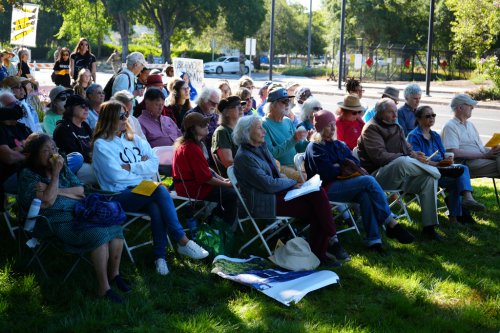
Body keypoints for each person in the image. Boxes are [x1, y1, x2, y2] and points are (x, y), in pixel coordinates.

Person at [92, 101, 208, 275]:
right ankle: (181, 239)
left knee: (155, 205)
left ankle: (160, 258)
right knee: (159, 189)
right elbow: (115, 176)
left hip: (143, 191)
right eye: (121, 116)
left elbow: (153, 165)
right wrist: (141, 172)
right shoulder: (101, 145)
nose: (126, 119)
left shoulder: (135, 139)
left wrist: (131, 167)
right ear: (109, 119)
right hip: (117, 195)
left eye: (126, 114)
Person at [18, 133, 127, 303]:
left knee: (116, 229)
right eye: (46, 150)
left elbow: (80, 191)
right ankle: (103, 288)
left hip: (78, 213)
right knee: (98, 235)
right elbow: (46, 202)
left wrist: (54, 189)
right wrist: (54, 176)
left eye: (54, 148)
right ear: (34, 154)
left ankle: (115, 274)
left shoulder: (63, 169)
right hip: (51, 221)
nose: (52, 153)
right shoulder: (28, 175)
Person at [233, 115, 348, 264]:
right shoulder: (244, 157)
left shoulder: (260, 147)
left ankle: (326, 247)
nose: (264, 131)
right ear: (247, 133)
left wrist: (293, 184)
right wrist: (292, 183)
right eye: (260, 128)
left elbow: (276, 173)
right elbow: (267, 184)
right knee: (316, 205)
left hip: (278, 194)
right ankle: (327, 246)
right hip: (264, 202)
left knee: (317, 193)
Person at [304, 110, 415, 254]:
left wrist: (339, 165)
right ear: (320, 128)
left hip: (344, 184)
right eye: (328, 126)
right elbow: (327, 173)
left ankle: (374, 241)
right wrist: (341, 166)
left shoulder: (338, 144)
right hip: (324, 189)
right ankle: (390, 221)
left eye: (333, 125)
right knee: (368, 181)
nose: (332, 129)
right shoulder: (315, 147)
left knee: (365, 195)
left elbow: (355, 163)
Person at [357, 98, 442, 240]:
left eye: (396, 112)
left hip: (399, 176)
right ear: (380, 113)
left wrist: (415, 155)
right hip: (377, 178)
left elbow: (407, 149)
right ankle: (437, 171)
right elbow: (380, 157)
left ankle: (429, 228)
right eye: (391, 112)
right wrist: (407, 157)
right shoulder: (371, 128)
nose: (395, 115)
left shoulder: (396, 126)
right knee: (403, 161)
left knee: (428, 179)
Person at [407, 105, 485, 223]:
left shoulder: (435, 135)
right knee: (460, 173)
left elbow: (444, 154)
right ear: (418, 119)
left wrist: (448, 160)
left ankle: (457, 213)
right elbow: (419, 160)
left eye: (433, 115)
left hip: (441, 169)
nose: (432, 118)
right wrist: (438, 164)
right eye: (428, 116)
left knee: (459, 174)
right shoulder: (414, 136)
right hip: (425, 172)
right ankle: (465, 202)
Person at [172, 112, 239, 227]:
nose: (206, 125)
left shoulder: (191, 144)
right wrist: (227, 185)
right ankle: (222, 229)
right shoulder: (191, 148)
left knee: (230, 193)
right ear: (192, 129)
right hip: (191, 188)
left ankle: (213, 222)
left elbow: (206, 169)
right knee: (232, 195)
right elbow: (205, 178)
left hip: (190, 185)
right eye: (202, 124)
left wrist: (224, 180)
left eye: (206, 123)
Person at [441, 94, 500, 179]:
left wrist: (493, 150)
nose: (473, 107)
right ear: (460, 108)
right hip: (465, 163)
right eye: (469, 105)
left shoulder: (470, 125)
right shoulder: (450, 126)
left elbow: (480, 148)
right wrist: (484, 155)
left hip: (480, 159)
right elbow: (454, 152)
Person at [262, 87, 308, 182]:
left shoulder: (287, 121)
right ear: (273, 105)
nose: (288, 104)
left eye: (289, 100)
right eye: (284, 101)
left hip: (296, 164)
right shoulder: (263, 125)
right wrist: (293, 140)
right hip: (279, 167)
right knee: (304, 178)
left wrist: (311, 142)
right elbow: (271, 153)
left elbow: (298, 147)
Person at [53, 94, 96, 185]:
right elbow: (71, 155)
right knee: (100, 173)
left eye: (87, 106)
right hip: (76, 166)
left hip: (89, 162)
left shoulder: (85, 126)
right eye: (83, 106)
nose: (86, 109)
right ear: (71, 108)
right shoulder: (63, 129)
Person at [0, 94, 31, 193]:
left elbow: (39, 145)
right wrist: (29, 154)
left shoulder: (21, 127)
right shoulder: (1, 129)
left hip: (30, 170)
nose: (17, 106)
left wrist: (20, 150)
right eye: (12, 104)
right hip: (10, 175)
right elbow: (9, 157)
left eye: (17, 103)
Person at [211, 96, 245, 177]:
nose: (241, 109)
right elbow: (229, 163)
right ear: (226, 113)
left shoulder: (240, 130)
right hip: (234, 181)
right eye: (236, 106)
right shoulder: (221, 132)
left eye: (241, 106)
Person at [185, 87, 221, 154]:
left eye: (217, 104)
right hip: (199, 153)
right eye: (213, 103)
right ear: (203, 100)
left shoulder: (216, 116)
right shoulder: (192, 115)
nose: (215, 106)